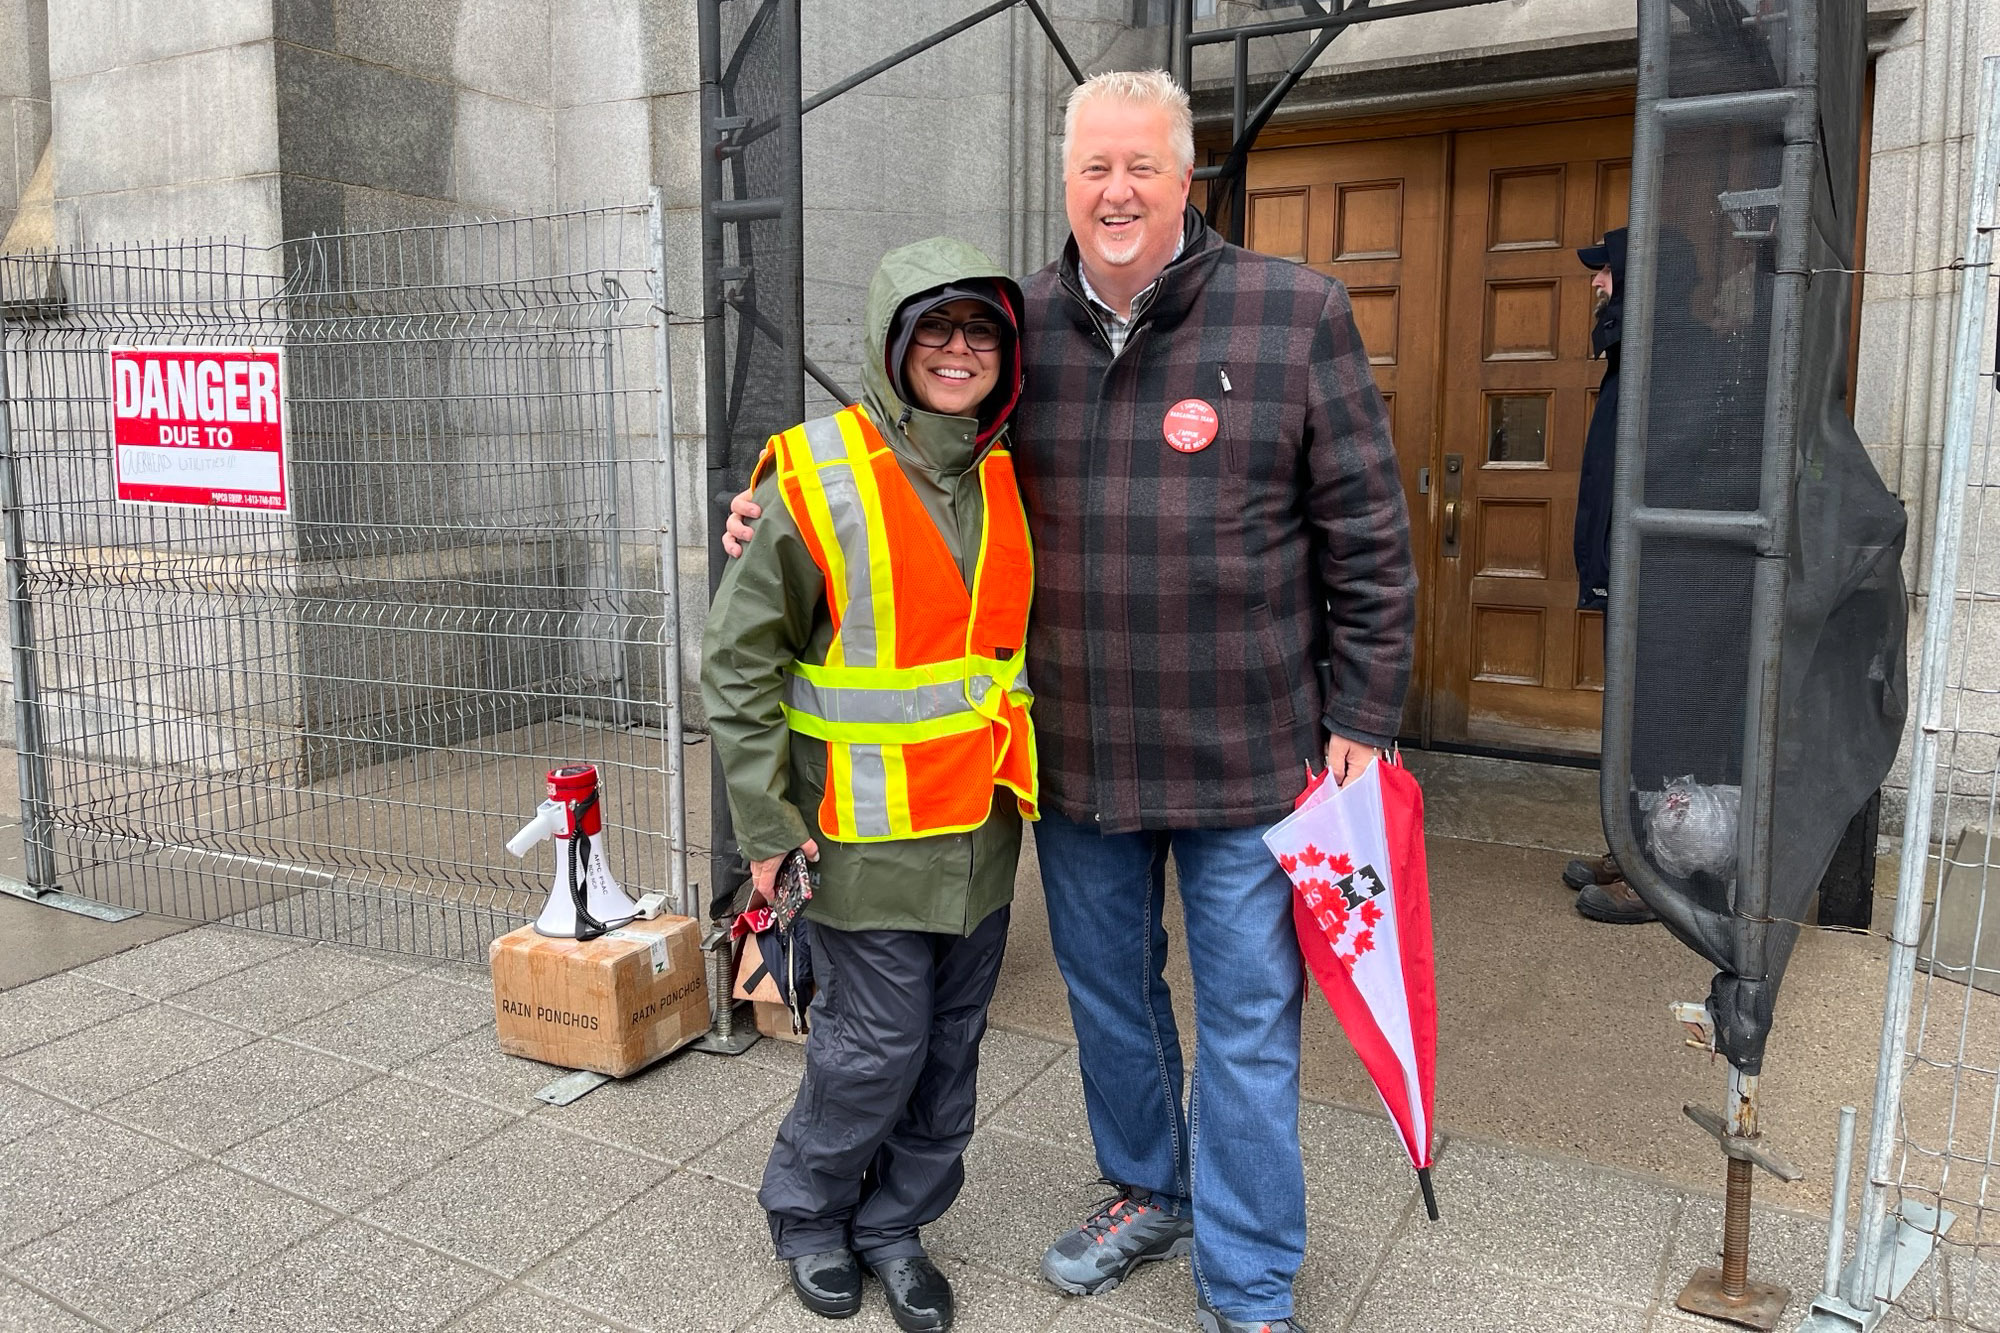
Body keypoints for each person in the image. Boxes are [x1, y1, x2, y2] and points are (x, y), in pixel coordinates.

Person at [727, 71, 1415, 1333]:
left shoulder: (1293, 313)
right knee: (1112, 1002)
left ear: (1183, 177)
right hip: (1074, 765)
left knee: (1250, 1026)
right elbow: (901, 448)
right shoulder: (1013, 329)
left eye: (1140, 167)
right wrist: (764, 498)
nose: (1115, 191)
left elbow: (1367, 537)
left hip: (1252, 765)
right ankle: (1148, 1187)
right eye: (1092, 167)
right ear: (1063, 182)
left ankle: (1250, 1281)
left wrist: (1361, 719)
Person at [702, 237, 1037, 1333]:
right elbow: (740, 663)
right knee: (871, 1048)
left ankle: (895, 1223)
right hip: (858, 838)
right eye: (932, 329)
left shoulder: (1005, 468)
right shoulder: (813, 472)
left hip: (981, 833)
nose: (955, 350)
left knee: (948, 1048)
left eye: (977, 331)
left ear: (1005, 355)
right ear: (890, 346)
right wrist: (765, 829)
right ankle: (806, 1212)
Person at [1560, 226, 1659, 925]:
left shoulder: (1664, 361)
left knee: (1654, 723)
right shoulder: (1629, 358)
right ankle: (1631, 850)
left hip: (1659, 580)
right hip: (1626, 573)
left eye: (1606, 271)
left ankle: (1657, 874)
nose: (1597, 282)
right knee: (1630, 718)